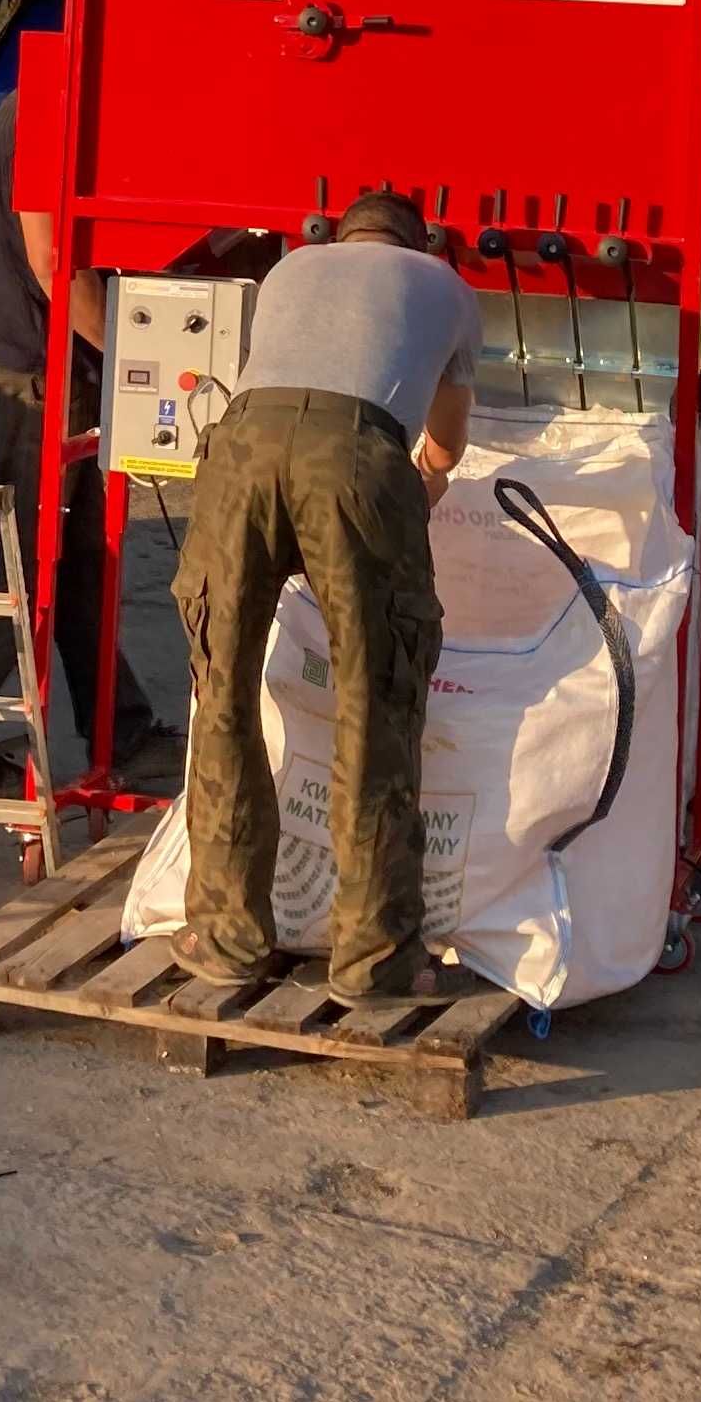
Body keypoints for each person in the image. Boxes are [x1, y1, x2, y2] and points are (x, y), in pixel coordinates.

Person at [174, 188, 481, 999]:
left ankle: (225, 935)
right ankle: (376, 957)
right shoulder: (443, 284)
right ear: (419, 242)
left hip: (237, 450)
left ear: (340, 235)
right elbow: (446, 437)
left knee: (224, 697)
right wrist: (426, 484)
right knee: (373, 702)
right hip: (353, 459)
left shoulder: (291, 270)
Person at [0, 102, 165, 766]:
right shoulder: (50, 114)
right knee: (14, 568)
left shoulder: (19, 105)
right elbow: (53, 263)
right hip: (30, 381)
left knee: (77, 565)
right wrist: (134, 359)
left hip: (30, 366)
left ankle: (121, 729)